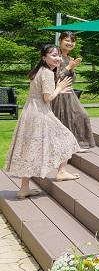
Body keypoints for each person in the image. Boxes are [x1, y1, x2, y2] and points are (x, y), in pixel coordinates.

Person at [4, 45, 81, 199]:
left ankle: (24, 189)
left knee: (29, 148)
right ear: (44, 57)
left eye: (58, 55)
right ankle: (61, 172)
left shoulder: (39, 70)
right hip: (40, 113)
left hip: (30, 112)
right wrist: (59, 88)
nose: (58, 58)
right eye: (53, 55)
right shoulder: (47, 73)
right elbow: (47, 98)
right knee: (67, 138)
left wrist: (58, 89)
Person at [51, 31, 95, 149]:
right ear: (60, 41)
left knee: (81, 115)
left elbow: (72, 79)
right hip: (58, 93)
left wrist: (71, 68)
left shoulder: (70, 58)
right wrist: (69, 67)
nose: (70, 43)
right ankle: (63, 147)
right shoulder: (55, 57)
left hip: (69, 93)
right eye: (67, 40)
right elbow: (55, 78)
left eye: (73, 41)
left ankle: (76, 144)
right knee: (62, 119)